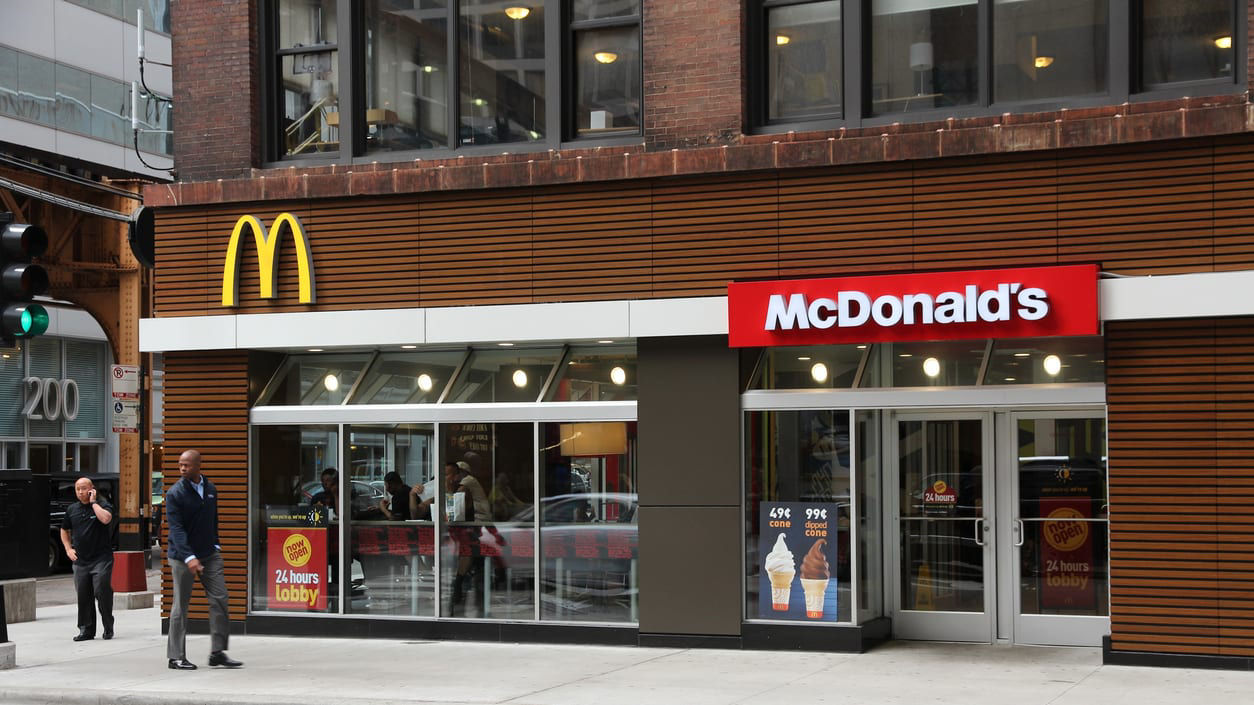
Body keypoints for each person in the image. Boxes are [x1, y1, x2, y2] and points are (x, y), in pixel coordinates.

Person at [165, 449, 242, 670]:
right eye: (180, 465)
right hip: (182, 557)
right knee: (181, 606)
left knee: (220, 599)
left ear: (198, 465)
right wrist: (189, 557)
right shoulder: (175, 493)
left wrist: (216, 544)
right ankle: (176, 657)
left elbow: (213, 520)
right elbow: (176, 530)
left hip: (209, 554)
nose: (182, 469)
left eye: (186, 465)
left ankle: (217, 652)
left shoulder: (210, 489)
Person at [60, 477, 114, 641]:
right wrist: (68, 549)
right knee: (83, 595)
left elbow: (106, 519)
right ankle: (86, 630)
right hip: (81, 561)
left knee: (101, 591)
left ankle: (108, 626)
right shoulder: (72, 509)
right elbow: (64, 530)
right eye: (77, 489)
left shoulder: (103, 505)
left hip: (101, 558)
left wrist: (93, 503)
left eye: (84, 488)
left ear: (92, 489)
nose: (80, 491)